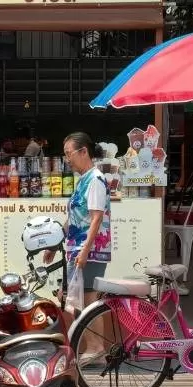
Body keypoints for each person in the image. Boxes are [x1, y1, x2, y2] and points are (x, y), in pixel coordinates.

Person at [63, 131, 112, 308]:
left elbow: (96, 218)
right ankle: (83, 337)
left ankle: (95, 338)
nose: (67, 159)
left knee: (88, 307)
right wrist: (56, 241)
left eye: (69, 153)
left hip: (90, 254)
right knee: (78, 308)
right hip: (79, 251)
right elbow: (75, 218)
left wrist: (85, 251)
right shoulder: (84, 179)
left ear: (83, 151)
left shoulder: (95, 179)